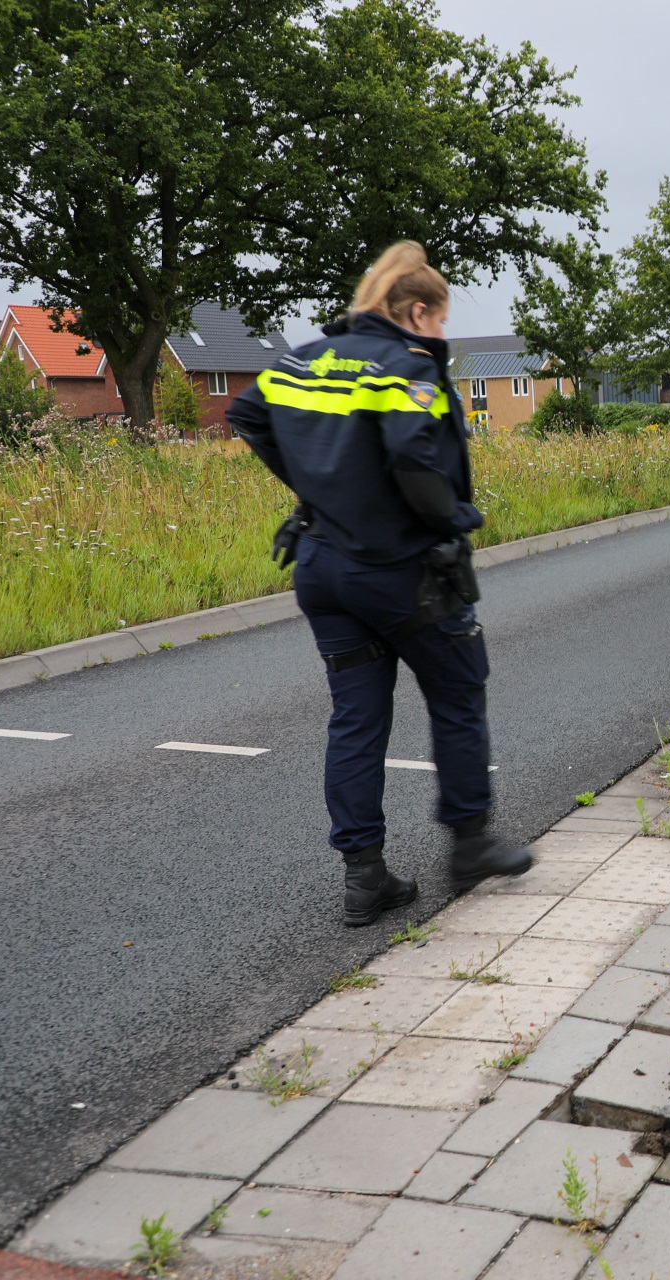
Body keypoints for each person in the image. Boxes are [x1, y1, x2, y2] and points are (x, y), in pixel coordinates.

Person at [227, 241, 531, 926]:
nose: (441, 331)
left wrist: (315, 492)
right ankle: (470, 846)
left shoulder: (306, 358)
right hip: (398, 569)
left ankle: (364, 876)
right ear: (417, 311)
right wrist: (452, 519)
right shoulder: (405, 364)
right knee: (457, 691)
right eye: (440, 319)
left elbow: (246, 414)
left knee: (357, 718)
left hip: (321, 565)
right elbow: (412, 455)